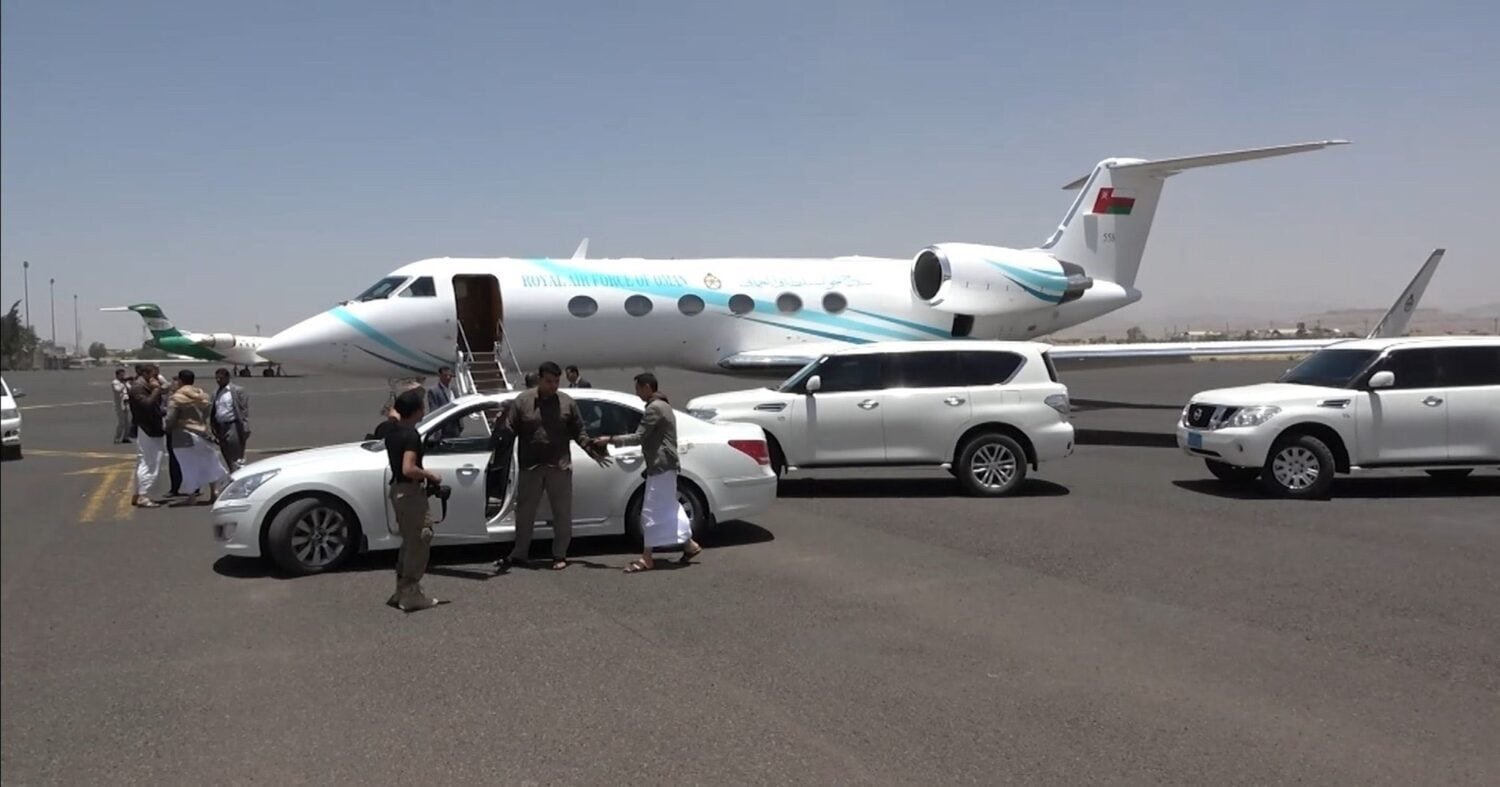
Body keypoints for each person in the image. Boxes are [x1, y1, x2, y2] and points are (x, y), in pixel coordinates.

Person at [494, 362, 610, 573]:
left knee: (562, 513)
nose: (553, 386)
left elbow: (579, 431)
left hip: (559, 465)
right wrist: (501, 423)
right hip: (530, 466)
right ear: (539, 379)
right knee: (525, 513)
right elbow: (509, 430)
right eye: (549, 381)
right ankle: (519, 553)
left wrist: (591, 450)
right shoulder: (523, 401)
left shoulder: (567, 402)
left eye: (556, 381)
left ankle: (560, 554)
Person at [596, 372, 702, 572]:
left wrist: (610, 439)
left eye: (638, 388)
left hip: (661, 466)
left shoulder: (654, 408)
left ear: (647, 387)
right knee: (670, 507)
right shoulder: (663, 405)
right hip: (665, 466)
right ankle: (689, 545)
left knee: (650, 512)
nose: (637, 393)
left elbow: (639, 437)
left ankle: (647, 558)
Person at [385, 388, 446, 612]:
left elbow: (393, 414)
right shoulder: (411, 436)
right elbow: (408, 468)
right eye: (421, 406)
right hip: (410, 492)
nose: (424, 409)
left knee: (408, 542)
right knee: (420, 539)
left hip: (398, 491)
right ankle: (411, 594)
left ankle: (401, 590)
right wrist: (430, 475)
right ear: (415, 411)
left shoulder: (392, 430)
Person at [164, 369, 229, 505]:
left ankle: (192, 496)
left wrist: (167, 428)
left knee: (188, 466)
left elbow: (170, 419)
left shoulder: (177, 397)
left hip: (183, 434)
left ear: (180, 381)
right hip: (202, 432)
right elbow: (208, 414)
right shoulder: (203, 395)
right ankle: (214, 491)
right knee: (209, 462)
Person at [127, 364, 169, 508]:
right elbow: (147, 405)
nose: (156, 378)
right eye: (154, 375)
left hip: (149, 426)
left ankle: (138, 493)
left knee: (145, 460)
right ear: (145, 374)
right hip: (148, 427)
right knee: (151, 461)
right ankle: (143, 495)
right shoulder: (138, 387)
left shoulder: (144, 386)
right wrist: (156, 390)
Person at [211, 368, 251, 470]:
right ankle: (232, 472)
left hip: (233, 425)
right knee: (225, 452)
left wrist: (245, 426)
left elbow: (243, 410)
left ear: (227, 377)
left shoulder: (237, 391)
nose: (218, 380)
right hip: (220, 426)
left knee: (235, 453)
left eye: (221, 378)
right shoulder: (216, 393)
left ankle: (238, 473)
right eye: (217, 378)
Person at [427, 366, 463, 438]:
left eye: (450, 375)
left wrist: (461, 424)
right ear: (440, 375)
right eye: (445, 375)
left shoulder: (454, 389)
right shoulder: (434, 391)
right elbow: (433, 410)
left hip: (455, 426)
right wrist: (437, 430)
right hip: (443, 428)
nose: (448, 378)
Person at [111, 368, 133, 444]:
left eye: (123, 375)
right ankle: (117, 438)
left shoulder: (125, 382)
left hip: (126, 403)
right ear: (117, 375)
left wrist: (129, 382)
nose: (123, 376)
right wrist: (123, 383)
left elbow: (130, 389)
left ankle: (126, 437)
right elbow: (118, 390)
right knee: (121, 422)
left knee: (128, 422)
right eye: (121, 375)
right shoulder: (115, 382)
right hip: (119, 404)